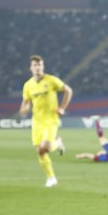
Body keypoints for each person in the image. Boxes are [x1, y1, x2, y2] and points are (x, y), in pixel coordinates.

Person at [19, 55, 73, 187]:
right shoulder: (28, 85)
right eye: (35, 65)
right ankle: (51, 178)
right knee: (40, 151)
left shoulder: (51, 80)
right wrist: (23, 109)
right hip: (37, 121)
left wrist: (62, 108)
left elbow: (68, 90)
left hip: (51, 119)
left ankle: (57, 142)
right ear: (31, 68)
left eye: (40, 65)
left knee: (46, 147)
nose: (37, 67)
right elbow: (25, 101)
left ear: (42, 67)